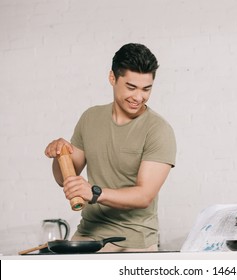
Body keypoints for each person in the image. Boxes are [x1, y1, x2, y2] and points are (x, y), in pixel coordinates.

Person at [44, 43, 176, 252]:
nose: (139, 97)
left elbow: (144, 196)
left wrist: (95, 193)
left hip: (134, 239)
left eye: (146, 89)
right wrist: (59, 154)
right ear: (112, 78)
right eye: (131, 87)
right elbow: (64, 179)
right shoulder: (90, 118)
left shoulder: (158, 130)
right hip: (89, 233)